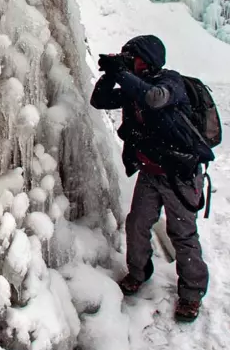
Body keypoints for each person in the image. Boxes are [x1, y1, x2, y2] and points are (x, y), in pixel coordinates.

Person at [90, 35, 212, 322]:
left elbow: (155, 99)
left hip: (180, 175)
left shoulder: (171, 82)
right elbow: (100, 100)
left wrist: (121, 72)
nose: (129, 61)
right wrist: (110, 73)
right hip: (151, 172)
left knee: (182, 234)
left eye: (133, 56)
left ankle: (191, 293)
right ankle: (138, 273)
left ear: (149, 59)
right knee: (137, 223)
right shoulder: (135, 87)